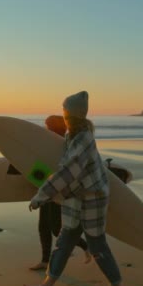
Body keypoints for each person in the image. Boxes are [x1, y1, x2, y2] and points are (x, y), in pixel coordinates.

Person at [24, 91, 123, 286]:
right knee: (63, 242)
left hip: (92, 198)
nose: (62, 113)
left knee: (97, 246)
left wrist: (41, 196)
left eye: (64, 110)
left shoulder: (83, 139)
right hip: (74, 198)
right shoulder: (71, 136)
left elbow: (69, 171)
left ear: (71, 114)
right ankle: (47, 284)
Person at [29, 115, 91, 271]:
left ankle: (86, 246)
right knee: (43, 226)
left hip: (58, 190)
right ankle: (44, 261)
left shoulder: (64, 145)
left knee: (57, 229)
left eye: (48, 126)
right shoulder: (49, 144)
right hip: (46, 187)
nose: (45, 128)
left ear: (55, 128)